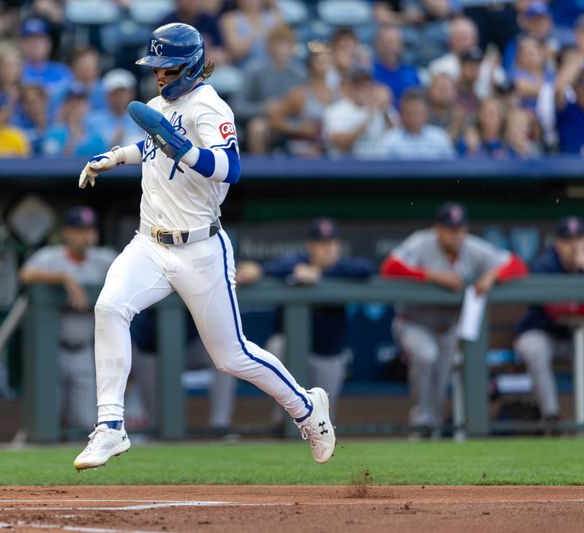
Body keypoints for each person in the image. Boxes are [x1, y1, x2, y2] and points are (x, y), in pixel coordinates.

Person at [73, 23, 335, 470]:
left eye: (167, 66)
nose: (158, 75)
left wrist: (181, 149)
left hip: (200, 247)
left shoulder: (210, 107)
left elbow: (230, 168)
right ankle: (110, 427)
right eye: (155, 66)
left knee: (231, 356)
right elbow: (153, 144)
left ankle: (307, 410)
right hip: (150, 242)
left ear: (191, 64)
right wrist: (118, 156)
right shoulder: (161, 105)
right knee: (110, 308)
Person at [380, 202, 527, 438]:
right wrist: (431, 275)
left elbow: (517, 264)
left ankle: (430, 429)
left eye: (460, 228)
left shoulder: (472, 248)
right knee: (425, 355)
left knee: (440, 386)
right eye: (449, 228)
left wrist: (492, 275)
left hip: (447, 328)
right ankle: (420, 420)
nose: (456, 234)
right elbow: (390, 268)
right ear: (437, 228)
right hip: (414, 322)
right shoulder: (422, 242)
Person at [214, 218, 375, 426]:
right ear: (310, 246)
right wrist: (260, 270)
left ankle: (319, 436)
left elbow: (366, 269)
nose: (328, 249)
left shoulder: (345, 267)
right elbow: (266, 269)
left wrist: (320, 275)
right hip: (293, 349)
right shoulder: (295, 262)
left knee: (325, 416)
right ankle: (280, 420)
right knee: (277, 346)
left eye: (332, 243)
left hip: (328, 351)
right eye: (321, 244)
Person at [18, 207, 117, 430]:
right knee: (48, 415)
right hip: (53, 350)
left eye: (90, 230)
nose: (86, 236)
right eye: (80, 230)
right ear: (66, 233)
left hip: (85, 349)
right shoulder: (50, 257)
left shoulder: (104, 259)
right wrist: (63, 278)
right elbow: (25, 274)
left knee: (85, 420)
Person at [514, 216, 584, 434]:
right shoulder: (545, 265)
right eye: (567, 240)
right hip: (543, 332)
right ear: (557, 243)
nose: (574, 245)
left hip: (576, 336)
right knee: (534, 349)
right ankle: (552, 419)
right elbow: (557, 310)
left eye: (579, 239)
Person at [231, 23, 306, 154]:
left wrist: (288, 109)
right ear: (268, 47)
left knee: (308, 127)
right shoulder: (254, 70)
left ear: (292, 47)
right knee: (257, 127)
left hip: (289, 120)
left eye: (286, 44)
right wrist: (264, 108)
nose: (281, 50)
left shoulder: (299, 74)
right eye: (277, 44)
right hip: (263, 119)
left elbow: (304, 106)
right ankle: (259, 172)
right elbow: (236, 106)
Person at [323, 65, 394, 158]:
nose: (363, 88)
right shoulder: (336, 110)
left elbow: (397, 135)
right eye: (358, 84)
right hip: (345, 167)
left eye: (367, 84)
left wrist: (385, 109)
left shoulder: (381, 107)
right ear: (350, 86)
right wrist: (368, 119)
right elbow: (341, 144)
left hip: (377, 165)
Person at [377, 89, 456, 159]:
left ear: (426, 113)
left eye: (416, 112)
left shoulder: (440, 137)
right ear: (401, 114)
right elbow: (381, 170)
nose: (412, 117)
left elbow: (452, 168)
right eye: (408, 113)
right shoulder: (390, 140)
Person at [85, 69, 145, 149]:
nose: (119, 97)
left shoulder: (140, 120)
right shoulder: (91, 119)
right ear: (106, 95)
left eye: (123, 93)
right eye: (115, 94)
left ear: (132, 94)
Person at [372, 24, 420, 106]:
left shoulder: (411, 73)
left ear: (400, 45)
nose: (388, 47)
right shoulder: (369, 72)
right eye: (384, 42)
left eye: (392, 42)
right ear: (377, 45)